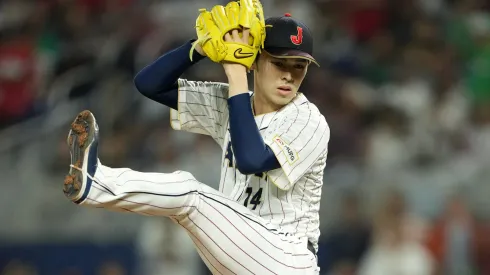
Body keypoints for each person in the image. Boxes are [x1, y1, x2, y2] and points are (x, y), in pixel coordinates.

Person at [62, 7, 329, 274]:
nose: (289, 75)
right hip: (240, 252)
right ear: (256, 60)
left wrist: (236, 73)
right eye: (279, 62)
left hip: (286, 258)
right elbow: (149, 84)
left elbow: (251, 159)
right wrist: (199, 48)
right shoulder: (231, 103)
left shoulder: (307, 120)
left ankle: (95, 183)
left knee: (190, 193)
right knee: (187, 199)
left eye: (299, 66)